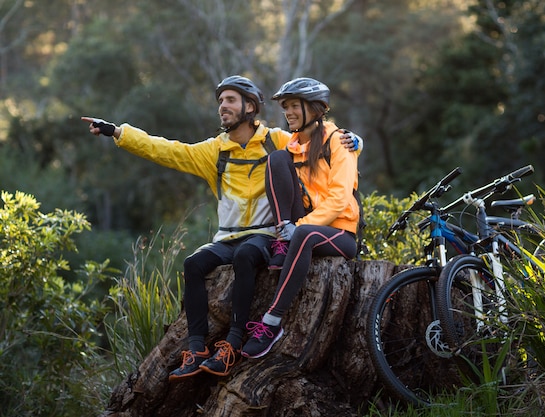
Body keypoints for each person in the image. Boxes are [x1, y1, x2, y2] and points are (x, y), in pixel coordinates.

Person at [81, 75, 361, 380]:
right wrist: (119, 132)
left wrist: (355, 142)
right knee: (193, 263)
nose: (222, 107)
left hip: (268, 235)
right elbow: (166, 150)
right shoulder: (214, 151)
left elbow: (321, 141)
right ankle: (197, 347)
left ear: (250, 106)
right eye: (220, 102)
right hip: (228, 236)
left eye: (230, 100)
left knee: (247, 251)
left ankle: (236, 340)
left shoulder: (276, 140)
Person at [240, 77, 361, 359]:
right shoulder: (294, 145)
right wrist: (290, 229)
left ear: (316, 109)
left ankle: (271, 323)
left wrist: (301, 227)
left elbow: (339, 199)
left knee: (304, 234)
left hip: (340, 234)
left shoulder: (339, 142)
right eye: (286, 107)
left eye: (295, 106)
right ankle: (283, 241)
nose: (288, 112)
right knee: (276, 159)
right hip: (300, 227)